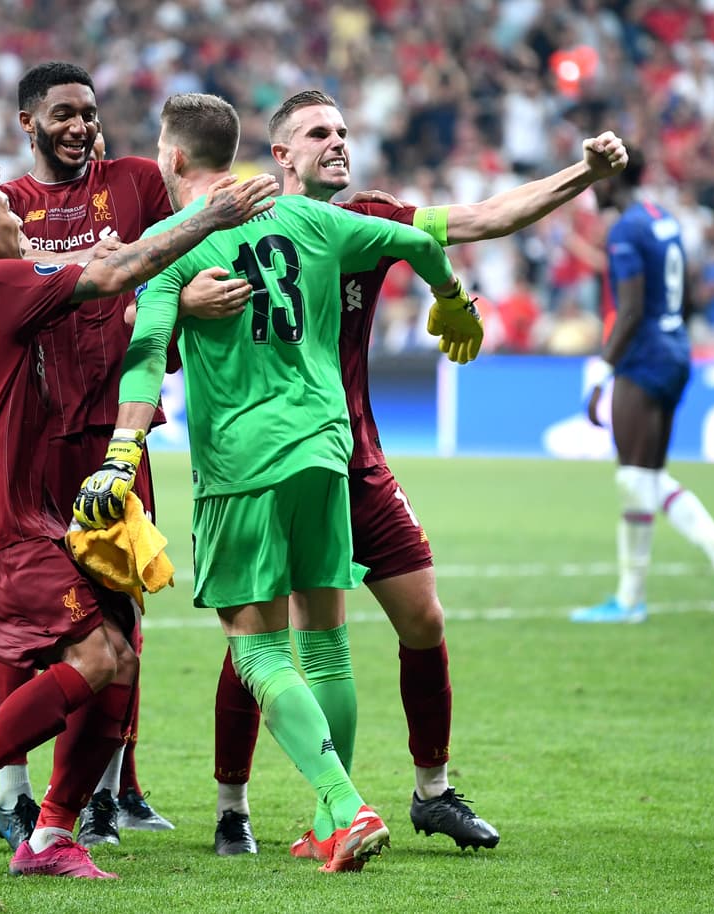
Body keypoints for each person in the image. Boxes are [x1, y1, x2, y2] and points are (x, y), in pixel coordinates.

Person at [202, 89, 631, 858]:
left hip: (352, 455)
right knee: (259, 634)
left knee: (421, 617)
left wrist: (581, 176)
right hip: (266, 451)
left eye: (343, 130)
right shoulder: (229, 224)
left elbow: (481, 219)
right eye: (317, 133)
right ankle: (234, 805)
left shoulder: (376, 219)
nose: (338, 142)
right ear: (281, 155)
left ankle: (428, 793)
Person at [73, 92, 483, 874]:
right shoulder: (313, 219)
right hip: (330, 453)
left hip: (243, 464)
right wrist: (451, 297)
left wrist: (122, 452)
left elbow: (146, 348)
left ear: (174, 159)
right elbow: (420, 239)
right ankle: (333, 815)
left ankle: (344, 802)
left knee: (258, 652)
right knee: (326, 645)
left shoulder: (171, 242)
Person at [0, 161, 277, 879]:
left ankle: (52, 837)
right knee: (99, 657)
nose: (25, 226)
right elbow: (109, 275)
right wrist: (210, 218)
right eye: (12, 219)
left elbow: (86, 264)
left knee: (121, 656)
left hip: (25, 516)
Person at [572, 150, 714, 624]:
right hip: (676, 351)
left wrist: (601, 369)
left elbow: (630, 309)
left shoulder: (626, 230)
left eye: (597, 178)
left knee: (634, 477)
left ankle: (630, 601)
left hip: (645, 357)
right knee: (648, 476)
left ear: (611, 181)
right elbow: (688, 294)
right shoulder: (663, 219)